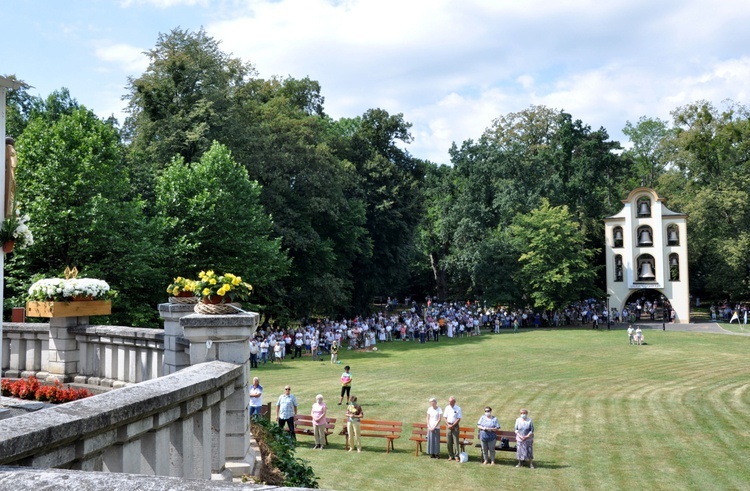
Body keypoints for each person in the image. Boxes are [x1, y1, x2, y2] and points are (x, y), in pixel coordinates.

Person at [443, 396, 462, 462]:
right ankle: (450, 455)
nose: (450, 403)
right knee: (449, 442)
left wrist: (453, 425)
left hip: (455, 426)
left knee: (456, 441)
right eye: (449, 401)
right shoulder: (447, 408)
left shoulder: (458, 408)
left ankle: (457, 456)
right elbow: (444, 417)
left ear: (454, 402)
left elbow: (459, 418)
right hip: (448, 425)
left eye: (451, 402)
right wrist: (448, 425)